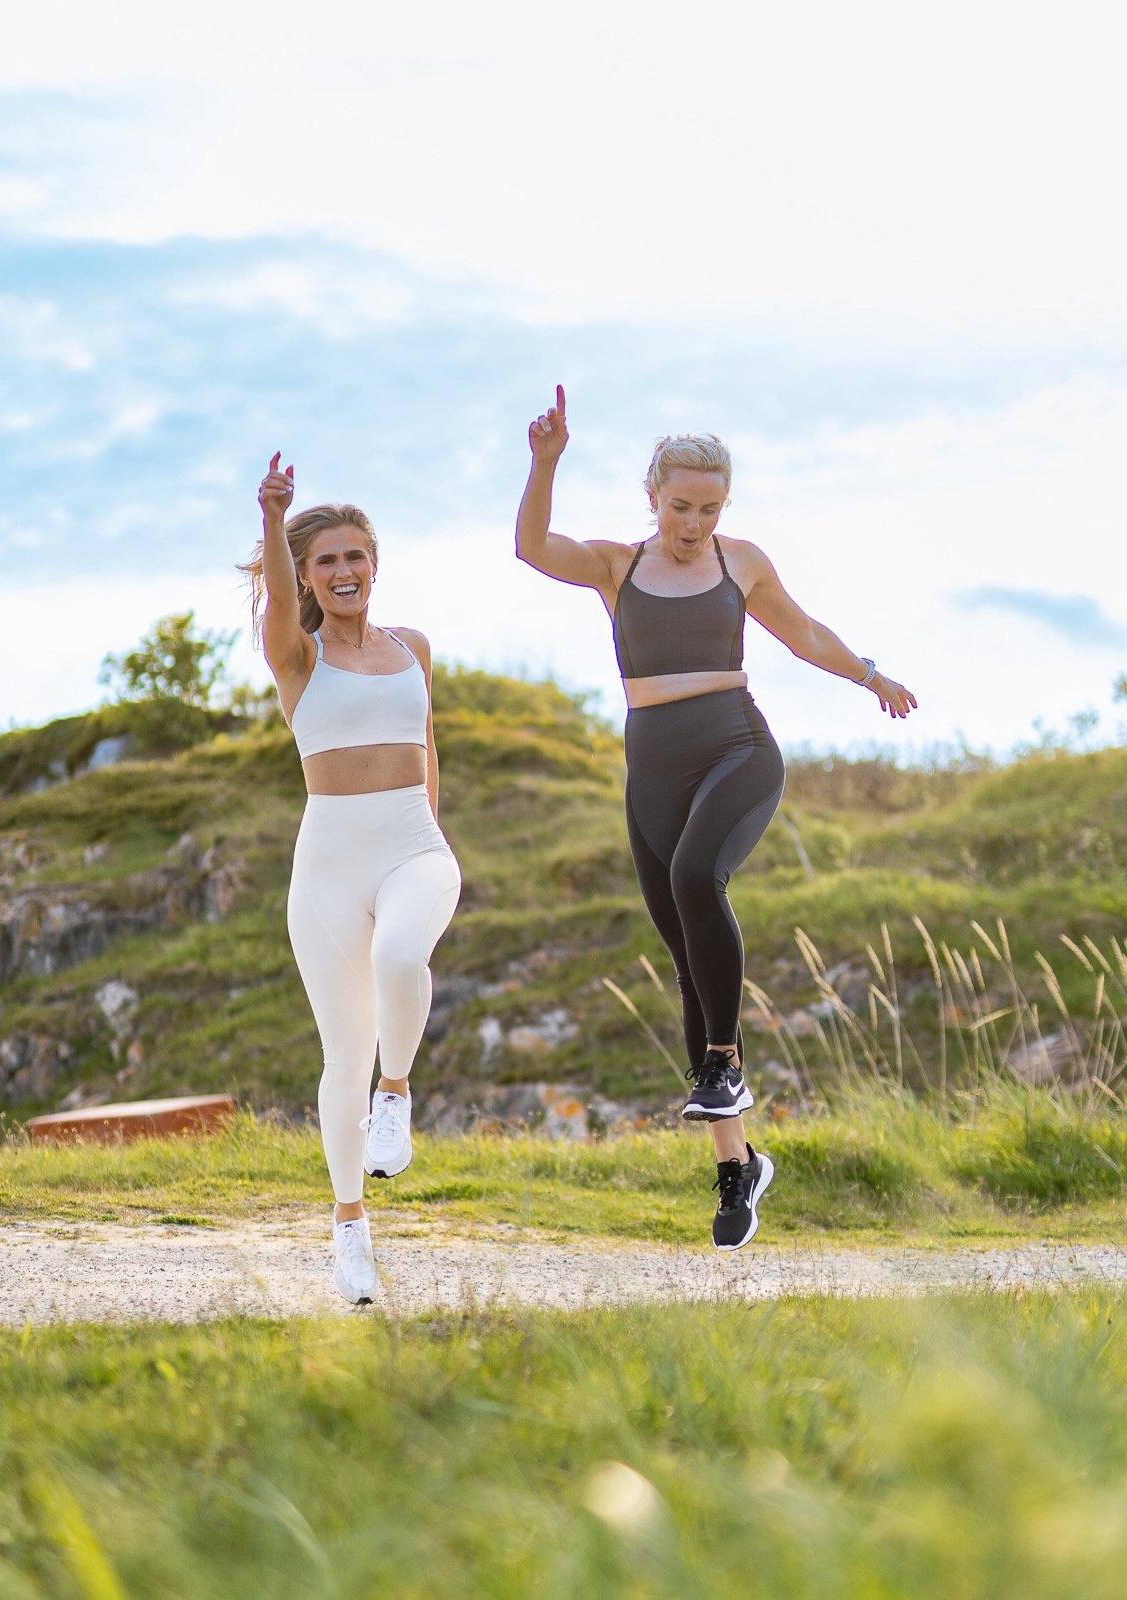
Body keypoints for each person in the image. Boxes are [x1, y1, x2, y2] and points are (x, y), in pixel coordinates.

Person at [515, 389, 916, 1250]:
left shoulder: (742, 564)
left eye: (709, 508)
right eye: (679, 506)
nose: (694, 523)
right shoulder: (616, 566)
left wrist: (871, 674)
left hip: (736, 746)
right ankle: (738, 1167)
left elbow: (804, 634)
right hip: (650, 769)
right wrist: (545, 462)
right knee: (689, 962)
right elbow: (532, 548)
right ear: (651, 498)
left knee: (701, 876)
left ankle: (725, 1066)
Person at [240, 454, 461, 1304]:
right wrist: (274, 514)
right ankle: (350, 1232)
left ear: (377, 563)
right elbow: (275, 612)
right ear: (305, 574)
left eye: (355, 556)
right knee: (342, 1057)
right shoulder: (297, 658)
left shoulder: (414, 650)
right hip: (328, 867)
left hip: (414, 845)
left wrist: (436, 832)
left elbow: (427, 748)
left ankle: (398, 1093)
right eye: (325, 560)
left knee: (404, 961)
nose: (343, 572)